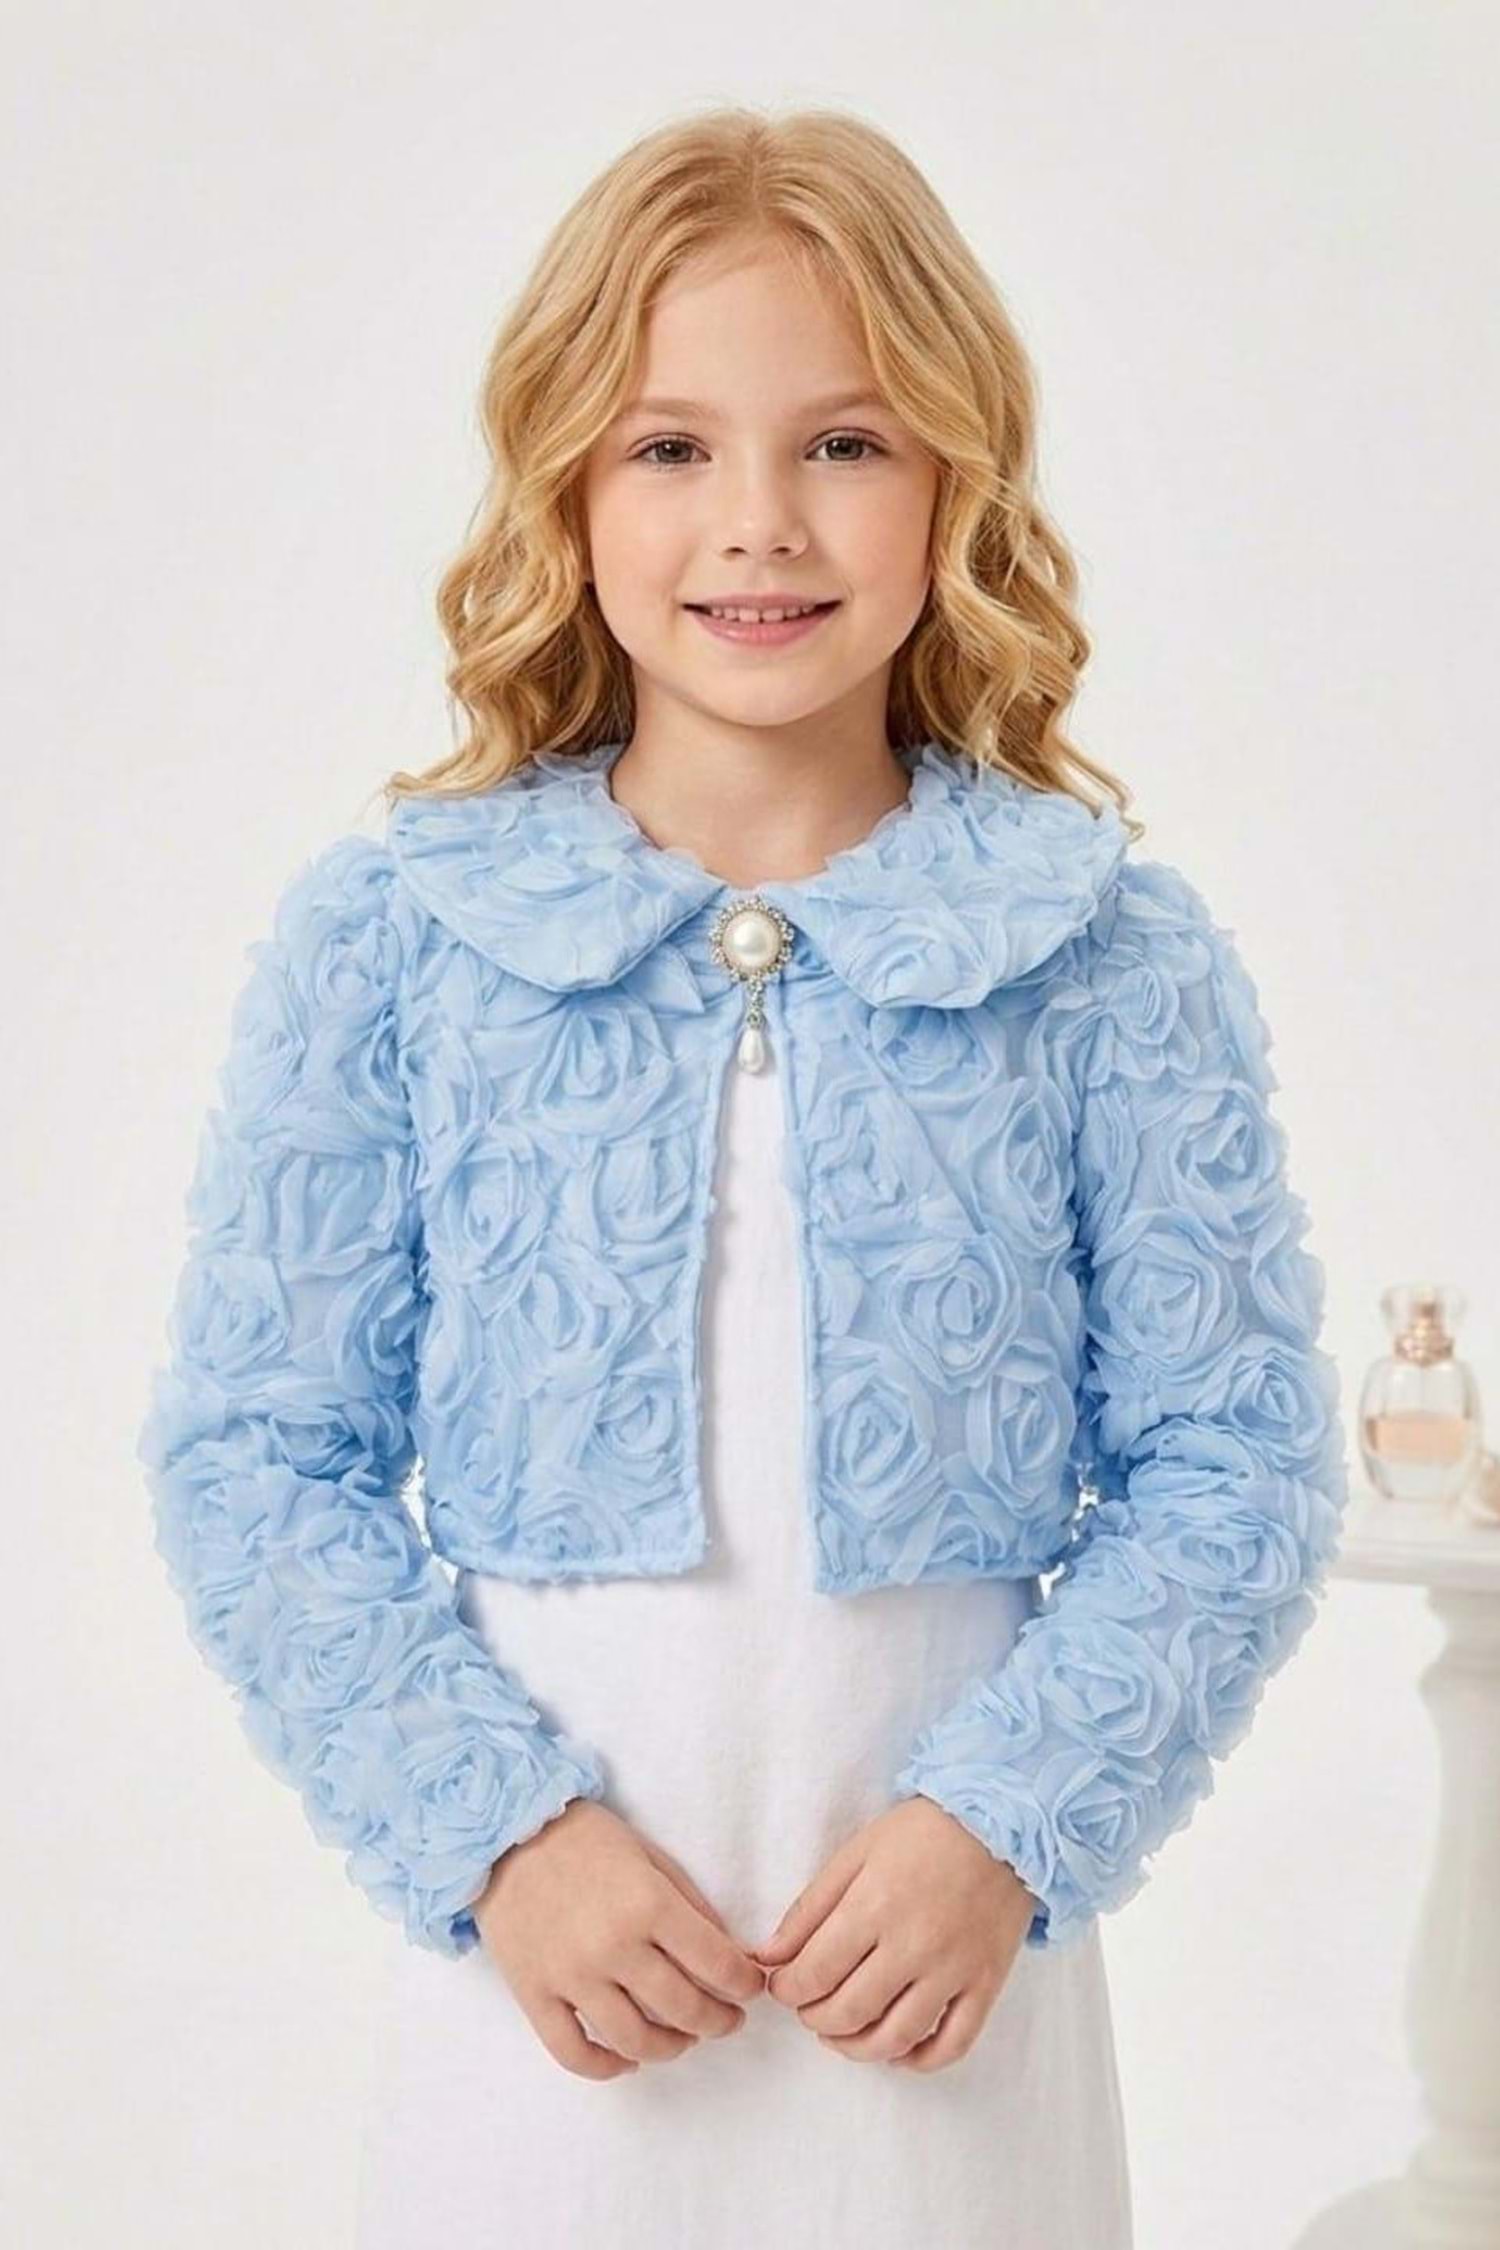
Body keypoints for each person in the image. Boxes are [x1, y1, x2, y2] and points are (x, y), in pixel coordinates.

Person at [138, 104, 1348, 2250]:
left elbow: (1236, 1460)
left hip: (944, 2019)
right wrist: (505, 1842)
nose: (759, 523)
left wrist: (1004, 1826)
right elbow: (255, 1456)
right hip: (545, 2016)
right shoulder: (403, 939)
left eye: (846, 443)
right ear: (567, 486)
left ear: (956, 475)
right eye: (671, 446)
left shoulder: (1100, 955)